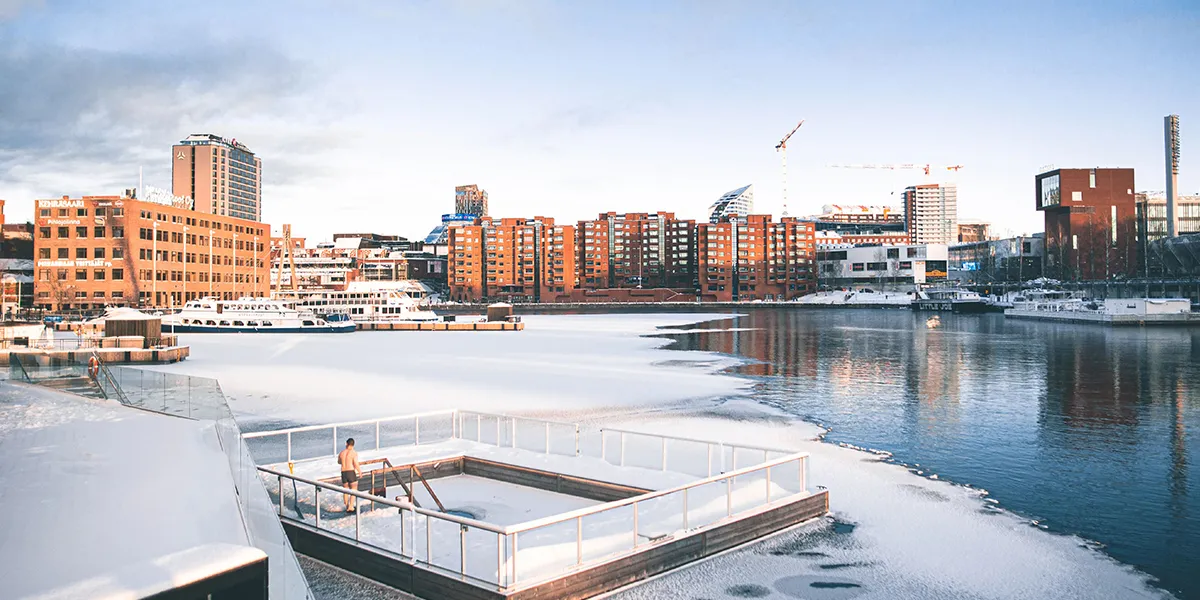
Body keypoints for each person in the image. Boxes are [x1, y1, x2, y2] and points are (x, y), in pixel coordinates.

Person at [337, 438, 361, 512]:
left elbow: (339, 462)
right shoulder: (353, 453)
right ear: (353, 444)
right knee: (354, 489)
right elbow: (355, 463)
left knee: (345, 490)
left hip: (343, 472)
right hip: (350, 471)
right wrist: (359, 472)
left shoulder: (341, 453)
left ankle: (347, 505)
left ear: (346, 444)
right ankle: (351, 507)